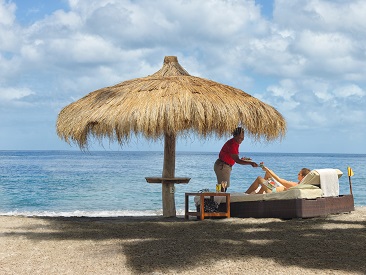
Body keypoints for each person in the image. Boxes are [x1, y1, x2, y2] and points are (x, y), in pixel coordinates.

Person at [245, 165, 311, 194]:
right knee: (268, 174)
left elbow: (279, 179)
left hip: (272, 191)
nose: (297, 175)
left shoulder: (295, 184)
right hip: (275, 188)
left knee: (259, 178)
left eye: (299, 174)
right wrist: (268, 171)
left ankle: (246, 194)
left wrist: (268, 169)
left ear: (303, 177)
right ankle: (260, 192)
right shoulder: (301, 185)